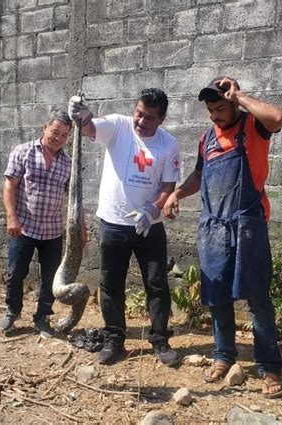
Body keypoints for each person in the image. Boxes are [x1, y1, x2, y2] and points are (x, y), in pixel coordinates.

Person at [163, 77, 282, 398]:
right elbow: (200, 174)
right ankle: (223, 356)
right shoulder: (207, 139)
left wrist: (241, 96)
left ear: (233, 103)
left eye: (220, 108)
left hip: (248, 224)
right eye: (210, 109)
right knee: (217, 295)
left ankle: (268, 366)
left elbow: (278, 118)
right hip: (213, 227)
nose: (214, 115)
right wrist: (177, 193)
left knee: (257, 297)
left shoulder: (253, 127)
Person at [68, 88, 181, 367]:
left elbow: (169, 185)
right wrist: (80, 115)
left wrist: (152, 209)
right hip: (113, 223)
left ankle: (159, 339)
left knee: (156, 283)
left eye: (149, 118)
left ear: (162, 119)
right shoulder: (118, 126)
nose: (140, 122)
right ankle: (114, 339)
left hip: (149, 227)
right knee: (111, 283)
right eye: (139, 113)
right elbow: (90, 128)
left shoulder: (168, 144)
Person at [0, 110, 78, 339]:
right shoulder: (22, 151)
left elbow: (73, 198)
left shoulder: (67, 163)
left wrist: (80, 226)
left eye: (64, 135)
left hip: (52, 230)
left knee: (50, 278)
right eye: (55, 132)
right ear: (44, 128)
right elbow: (10, 186)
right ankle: (12, 312)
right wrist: (11, 217)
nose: (59, 138)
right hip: (23, 227)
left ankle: (42, 317)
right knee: (15, 272)